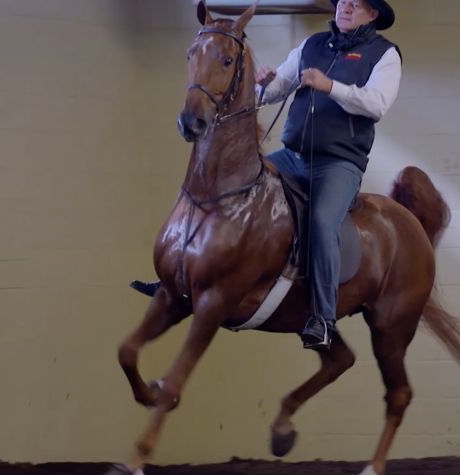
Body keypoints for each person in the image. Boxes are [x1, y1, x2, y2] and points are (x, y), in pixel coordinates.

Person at [132, 0, 401, 351]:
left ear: (373, 13)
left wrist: (329, 86)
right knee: (228, 185)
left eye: (356, 3)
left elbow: (377, 104)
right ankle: (175, 278)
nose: (346, 7)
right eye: (343, 1)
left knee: (322, 222)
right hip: (293, 155)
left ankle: (322, 317)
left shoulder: (384, 55)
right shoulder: (311, 46)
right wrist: (264, 83)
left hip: (338, 162)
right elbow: (274, 92)